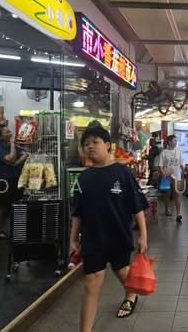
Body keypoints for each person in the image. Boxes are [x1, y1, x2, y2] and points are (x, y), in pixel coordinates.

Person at [69, 126, 148, 330]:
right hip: (92, 238)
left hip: (119, 235)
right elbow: (77, 212)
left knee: (121, 269)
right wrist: (73, 239)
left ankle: (131, 295)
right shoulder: (83, 178)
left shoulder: (123, 173)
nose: (90, 147)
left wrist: (143, 235)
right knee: (92, 282)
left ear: (107, 145)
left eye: (95, 142)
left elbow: (137, 207)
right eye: (86, 144)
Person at [0, 124, 28, 239]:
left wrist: (16, 163)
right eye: (7, 132)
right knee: (1, 205)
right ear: (0, 137)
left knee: (16, 203)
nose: (10, 133)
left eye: (9, 131)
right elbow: (11, 158)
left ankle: (16, 228)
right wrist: (12, 146)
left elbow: (25, 154)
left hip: (15, 178)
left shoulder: (11, 146)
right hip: (3, 181)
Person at [157, 135, 183, 222]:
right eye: (174, 140)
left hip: (177, 176)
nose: (176, 142)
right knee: (167, 194)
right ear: (169, 142)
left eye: (176, 141)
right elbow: (160, 166)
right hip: (167, 176)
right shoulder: (164, 152)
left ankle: (178, 214)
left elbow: (181, 164)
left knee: (177, 195)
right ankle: (167, 209)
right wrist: (163, 174)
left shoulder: (179, 152)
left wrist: (185, 170)